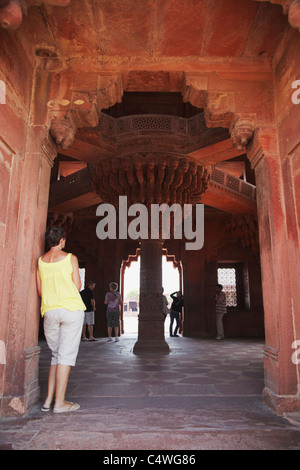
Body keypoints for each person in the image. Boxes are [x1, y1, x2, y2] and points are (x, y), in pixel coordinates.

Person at [36, 226, 86, 413]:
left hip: (50, 311)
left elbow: (40, 291)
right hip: (71, 310)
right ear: (62, 240)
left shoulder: (41, 261)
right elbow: (78, 286)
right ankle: (60, 403)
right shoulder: (70, 258)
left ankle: (48, 400)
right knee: (65, 356)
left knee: (56, 355)